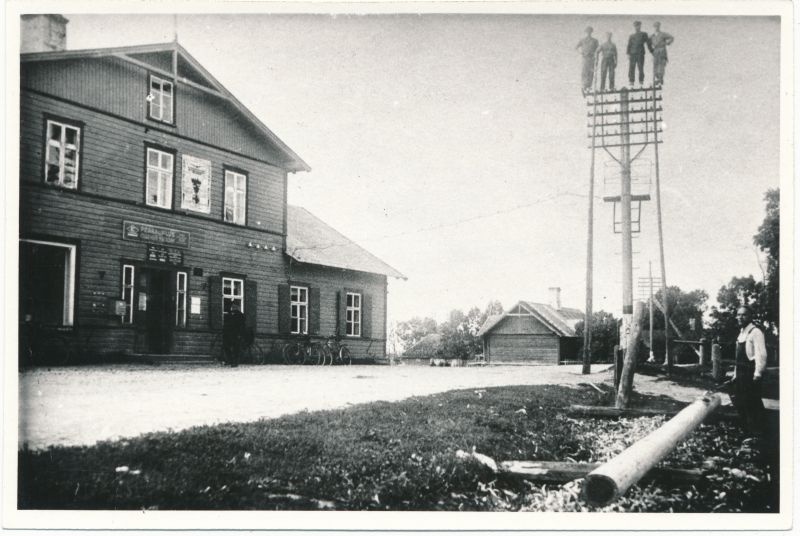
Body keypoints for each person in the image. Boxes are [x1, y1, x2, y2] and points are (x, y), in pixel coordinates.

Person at [730, 305, 767, 438]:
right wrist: (735, 374)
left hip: (751, 373)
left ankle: (758, 432)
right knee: (741, 402)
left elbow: (761, 354)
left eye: (743, 315)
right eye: (738, 314)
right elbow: (737, 358)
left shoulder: (755, 332)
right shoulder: (741, 333)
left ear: (750, 316)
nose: (740, 317)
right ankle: (746, 431)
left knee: (753, 402)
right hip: (740, 373)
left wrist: (758, 373)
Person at [649, 21, 674, 86]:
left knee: (661, 66)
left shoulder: (662, 34)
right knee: (655, 67)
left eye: (657, 26)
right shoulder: (652, 36)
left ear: (659, 27)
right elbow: (648, 42)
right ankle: (657, 79)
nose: (656, 28)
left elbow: (671, 37)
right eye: (655, 26)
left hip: (662, 51)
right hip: (655, 52)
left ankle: (660, 79)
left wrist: (667, 43)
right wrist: (651, 50)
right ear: (653, 27)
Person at [576, 26, 599, 95]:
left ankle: (589, 87)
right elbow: (576, 48)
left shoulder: (595, 41)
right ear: (586, 32)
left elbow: (598, 50)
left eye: (590, 31)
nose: (588, 33)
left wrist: (597, 59)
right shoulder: (582, 40)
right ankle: (584, 86)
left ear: (591, 32)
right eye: (587, 31)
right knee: (584, 72)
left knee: (591, 72)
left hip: (591, 58)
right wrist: (581, 53)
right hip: (585, 58)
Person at [626, 21, 650, 87]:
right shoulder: (631, 36)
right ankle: (631, 82)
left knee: (640, 67)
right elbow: (629, 45)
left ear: (640, 26)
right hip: (632, 54)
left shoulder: (644, 34)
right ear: (634, 27)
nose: (637, 27)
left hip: (640, 53)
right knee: (631, 68)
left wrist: (652, 51)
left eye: (638, 25)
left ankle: (641, 82)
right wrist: (628, 54)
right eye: (635, 26)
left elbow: (648, 43)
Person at [223, 301, 246, 367]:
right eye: (232, 306)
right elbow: (226, 323)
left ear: (237, 307)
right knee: (226, 347)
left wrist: (240, 334)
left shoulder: (240, 315)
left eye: (234, 306)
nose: (233, 307)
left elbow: (242, 326)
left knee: (236, 349)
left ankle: (235, 362)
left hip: (236, 334)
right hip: (228, 334)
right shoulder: (229, 314)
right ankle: (230, 360)